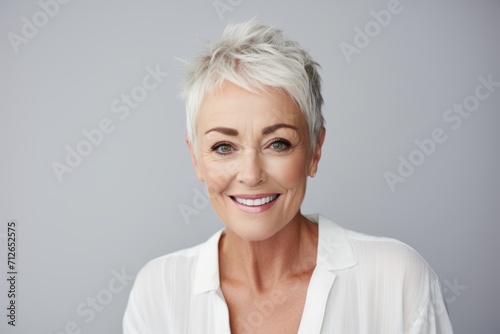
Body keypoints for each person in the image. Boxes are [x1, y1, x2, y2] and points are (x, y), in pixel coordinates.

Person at [123, 20, 453, 333]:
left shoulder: (397, 281)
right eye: (224, 147)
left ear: (315, 150)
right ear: (196, 158)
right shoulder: (158, 293)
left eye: (277, 143)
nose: (251, 175)